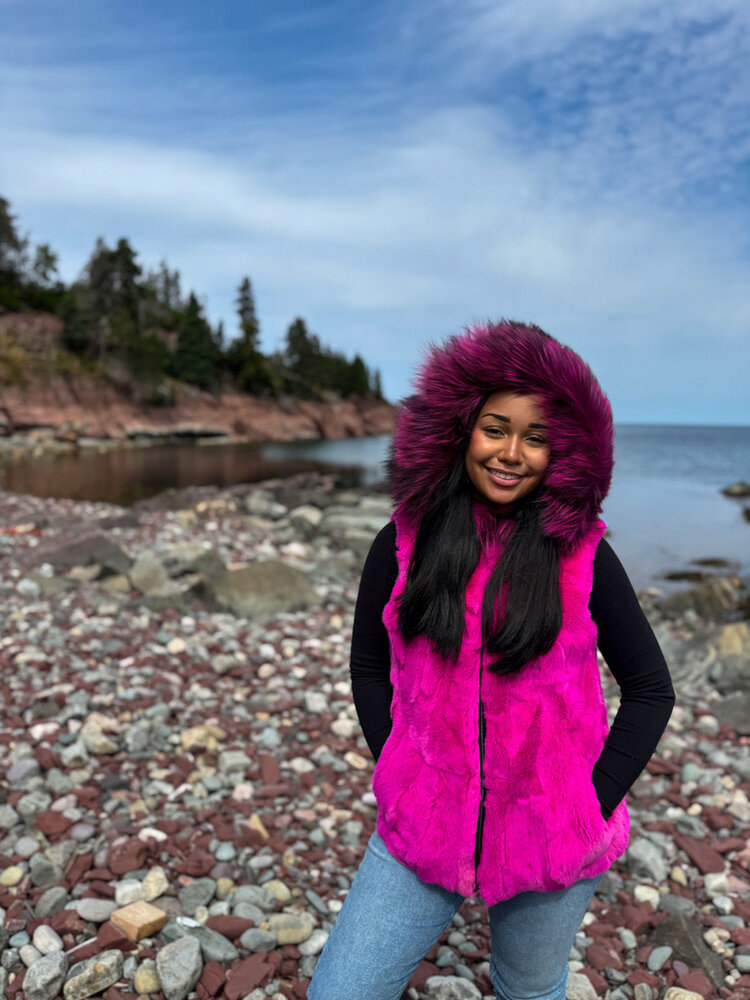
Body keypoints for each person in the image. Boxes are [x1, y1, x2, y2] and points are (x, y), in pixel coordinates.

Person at [307, 321, 675, 1000]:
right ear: (460, 431)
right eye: (495, 429)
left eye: (537, 438)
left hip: (554, 835)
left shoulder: (586, 557)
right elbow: (367, 666)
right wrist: (400, 770)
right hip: (420, 825)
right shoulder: (401, 544)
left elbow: (651, 690)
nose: (511, 453)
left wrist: (586, 805)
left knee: (528, 990)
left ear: (564, 450)